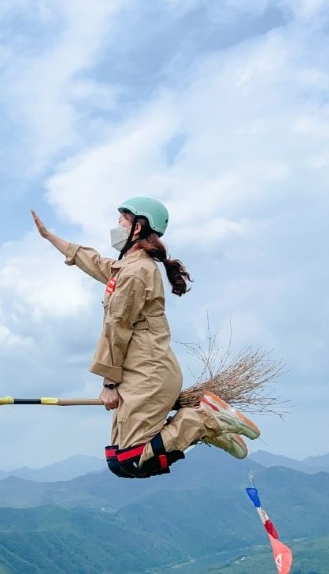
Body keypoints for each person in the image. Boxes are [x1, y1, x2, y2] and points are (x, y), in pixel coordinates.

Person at [31, 197, 260, 478]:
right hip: (140, 374)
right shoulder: (128, 267)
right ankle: (206, 429)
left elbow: (117, 327)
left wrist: (109, 383)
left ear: (136, 228)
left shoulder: (136, 273)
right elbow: (92, 261)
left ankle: (204, 419)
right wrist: (49, 236)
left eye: (120, 222)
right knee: (119, 461)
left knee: (133, 460)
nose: (115, 228)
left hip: (148, 375)